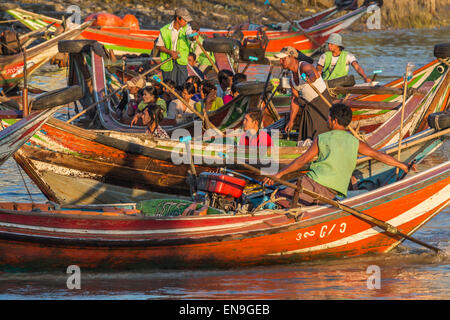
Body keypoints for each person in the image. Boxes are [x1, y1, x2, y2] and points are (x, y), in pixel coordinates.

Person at [263, 103, 411, 207]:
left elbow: (302, 160)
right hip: (333, 192)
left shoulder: (323, 138)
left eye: (328, 118)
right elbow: (378, 155)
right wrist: (402, 165)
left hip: (313, 184)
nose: (327, 121)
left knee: (276, 199)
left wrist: (279, 174)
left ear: (334, 121)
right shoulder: (355, 142)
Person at [276, 46, 331, 144]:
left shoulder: (304, 65)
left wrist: (310, 79)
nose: (280, 61)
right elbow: (295, 99)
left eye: (283, 59)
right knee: (307, 139)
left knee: (319, 138)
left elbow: (311, 73)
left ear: (292, 57)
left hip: (321, 105)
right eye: (280, 59)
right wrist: (291, 121)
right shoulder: (291, 78)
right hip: (309, 108)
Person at [155, 7, 193, 88]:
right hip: (168, 61)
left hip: (181, 61)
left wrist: (193, 36)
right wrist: (170, 52)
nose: (186, 22)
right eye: (185, 20)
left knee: (183, 85)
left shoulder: (187, 28)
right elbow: (159, 45)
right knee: (169, 87)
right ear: (177, 18)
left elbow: (190, 35)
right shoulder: (165, 30)